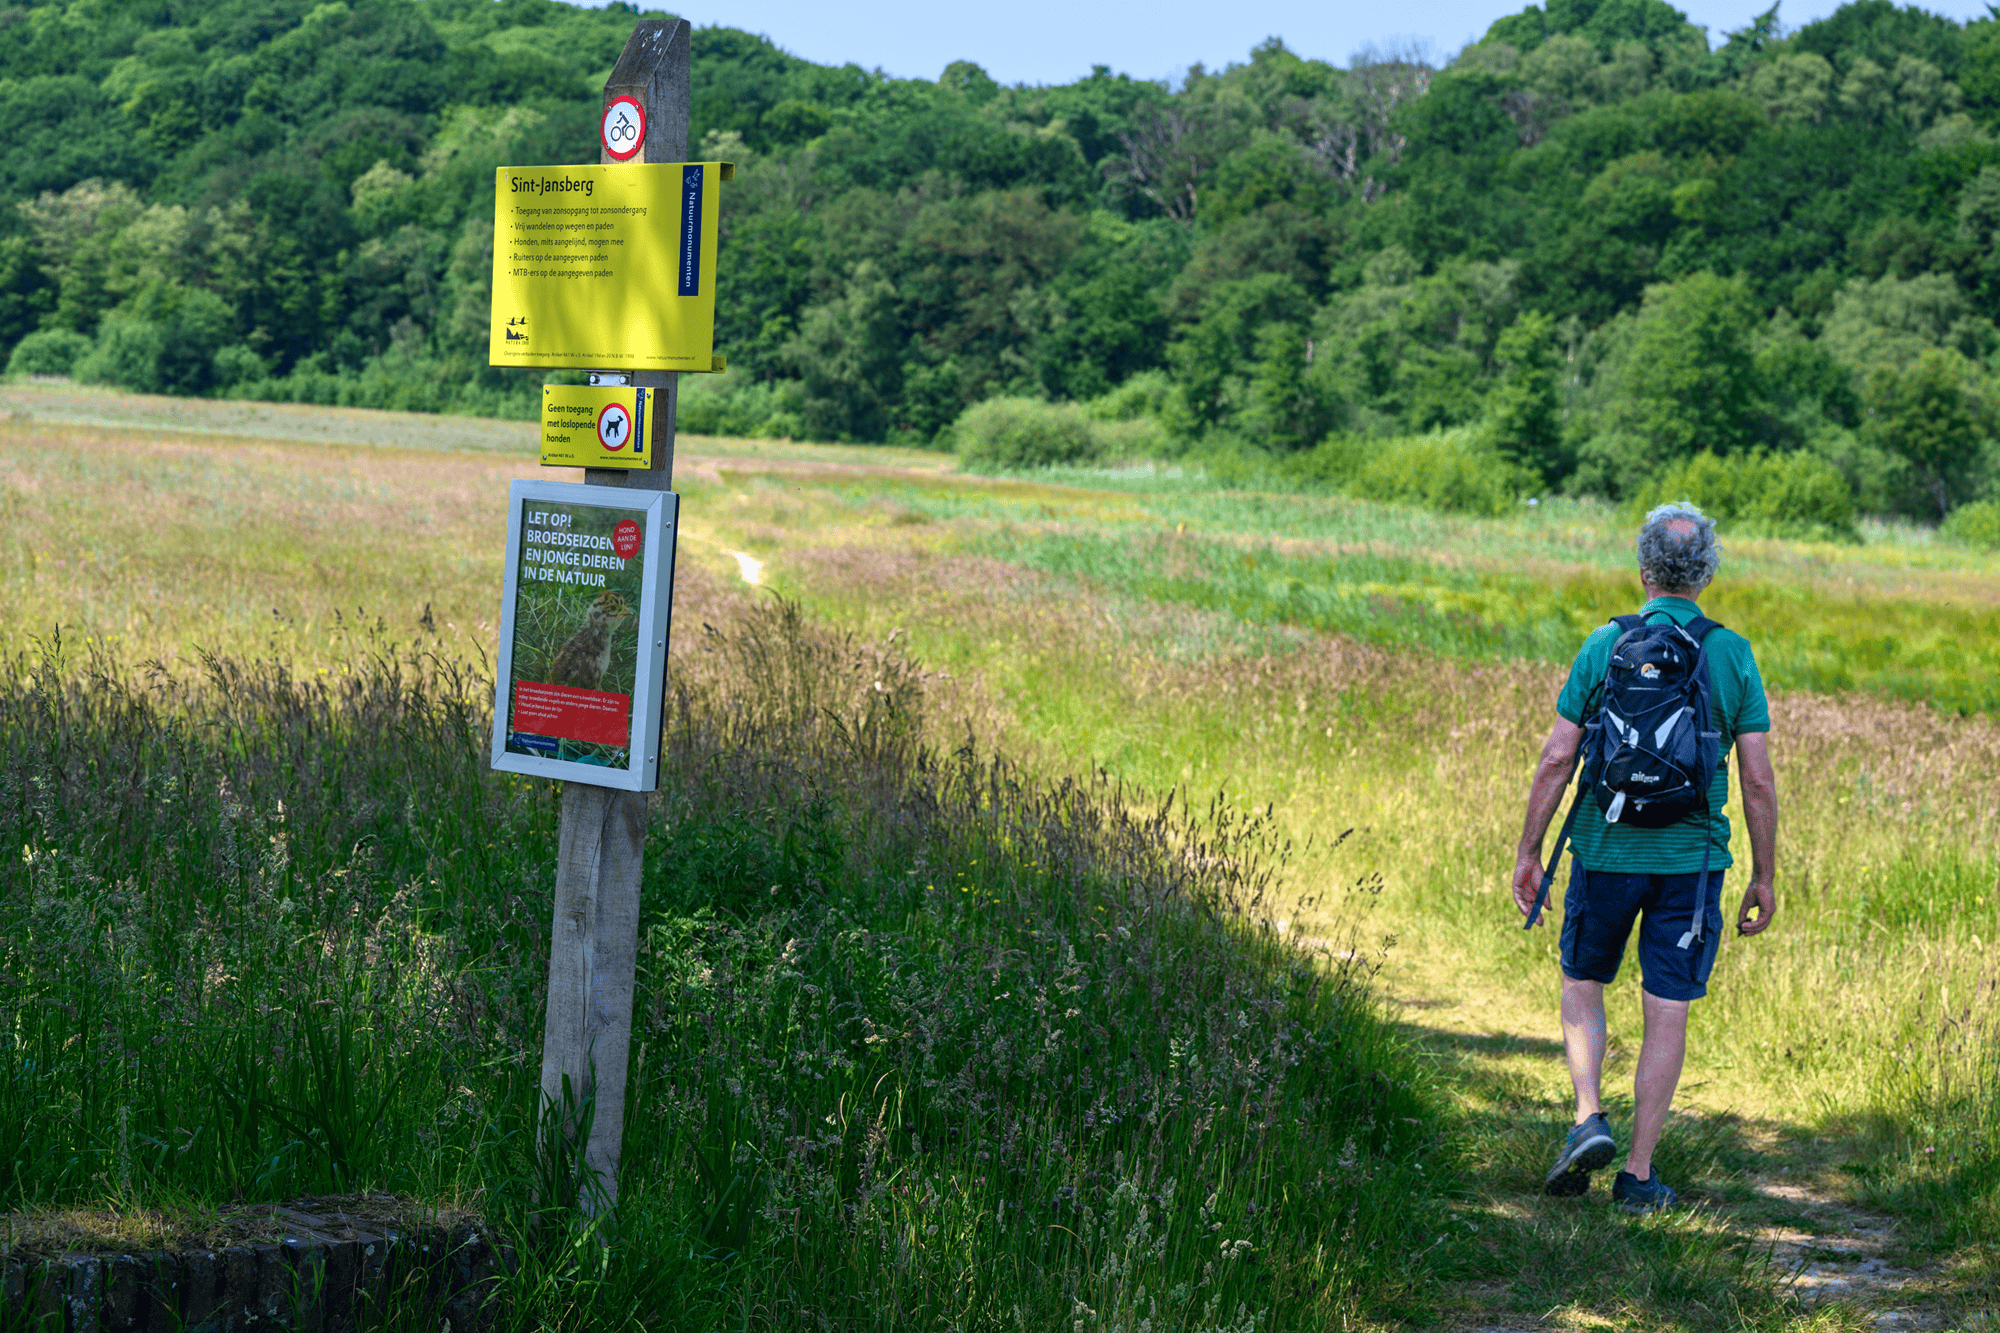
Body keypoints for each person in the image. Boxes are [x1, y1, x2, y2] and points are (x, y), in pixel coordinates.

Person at [1511, 502, 1779, 1213]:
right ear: (1707, 574)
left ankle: (1587, 1116)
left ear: (1643, 568)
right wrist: (1763, 873)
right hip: (1692, 863)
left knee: (1582, 979)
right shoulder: (1732, 653)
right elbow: (1755, 776)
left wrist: (1529, 847)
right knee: (1667, 1010)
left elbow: (1557, 755)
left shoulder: (1605, 643)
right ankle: (1637, 1173)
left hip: (1603, 849)